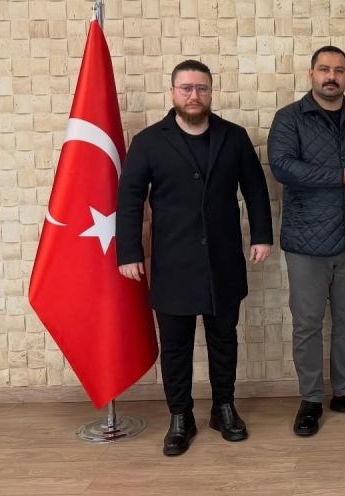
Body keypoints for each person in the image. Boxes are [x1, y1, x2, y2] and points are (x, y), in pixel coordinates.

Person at [116, 59, 273, 457]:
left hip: (224, 260)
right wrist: (129, 252)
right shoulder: (149, 141)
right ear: (173, 92)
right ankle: (180, 416)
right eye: (186, 88)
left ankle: (224, 408)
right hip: (172, 262)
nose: (194, 95)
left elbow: (255, 189)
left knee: (224, 339)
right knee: (175, 345)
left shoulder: (233, 137)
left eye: (201, 88)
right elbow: (129, 199)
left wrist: (262, 235)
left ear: (211, 92)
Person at [268, 46, 345, 437]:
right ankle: (311, 399)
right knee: (307, 324)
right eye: (324, 69)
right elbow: (283, 167)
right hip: (306, 242)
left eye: (338, 70)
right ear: (311, 74)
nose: (331, 76)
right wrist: (340, 175)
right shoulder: (289, 118)